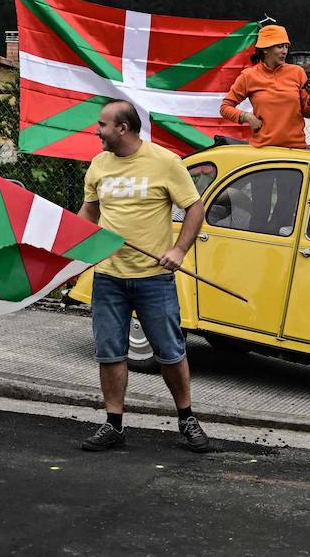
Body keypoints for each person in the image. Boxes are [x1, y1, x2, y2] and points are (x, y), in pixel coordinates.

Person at [78, 99, 211, 453]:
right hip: (108, 277)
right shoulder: (98, 166)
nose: (97, 130)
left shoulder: (165, 162)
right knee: (109, 352)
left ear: (123, 128)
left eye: (103, 125)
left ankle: (187, 419)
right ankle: (114, 424)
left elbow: (195, 207)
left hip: (154, 278)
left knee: (169, 352)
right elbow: (89, 213)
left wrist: (179, 250)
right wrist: (71, 254)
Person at [219, 24, 310, 149]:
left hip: (295, 149)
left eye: (286, 47)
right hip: (263, 150)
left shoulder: (297, 72)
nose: (285, 51)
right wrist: (247, 117)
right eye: (280, 46)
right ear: (265, 49)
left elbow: (308, 113)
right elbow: (225, 108)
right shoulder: (249, 75)